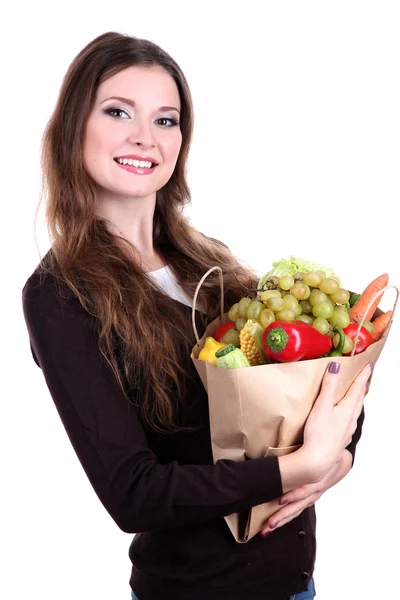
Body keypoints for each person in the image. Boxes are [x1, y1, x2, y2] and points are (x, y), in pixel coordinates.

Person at [22, 31, 371, 600]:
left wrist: (341, 460)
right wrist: (301, 468)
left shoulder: (209, 262)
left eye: (166, 120)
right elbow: (133, 494)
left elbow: (316, 378)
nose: (145, 137)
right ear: (72, 128)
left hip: (296, 585)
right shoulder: (60, 295)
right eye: (118, 112)